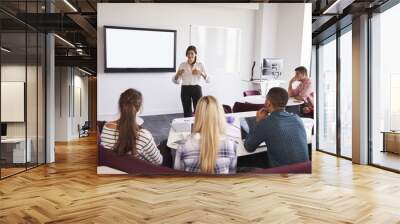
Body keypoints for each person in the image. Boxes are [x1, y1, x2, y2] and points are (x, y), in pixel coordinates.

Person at [244, 87, 309, 168]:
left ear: (268, 103)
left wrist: (257, 122)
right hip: (305, 172)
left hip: (282, 176)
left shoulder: (267, 123)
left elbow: (248, 147)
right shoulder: (297, 118)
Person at [100, 88, 167, 166]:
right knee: (165, 145)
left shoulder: (106, 127)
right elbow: (158, 162)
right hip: (138, 172)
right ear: (138, 108)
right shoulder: (143, 136)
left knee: (162, 144)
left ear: (120, 106)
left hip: (113, 168)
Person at [174, 96, 237, 174]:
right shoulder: (231, 145)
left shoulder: (184, 145)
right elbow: (231, 174)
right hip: (221, 185)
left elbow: (178, 174)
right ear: (220, 115)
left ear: (197, 116)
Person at [173, 45, 210, 117]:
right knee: (187, 112)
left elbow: (208, 80)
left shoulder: (200, 64)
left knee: (199, 111)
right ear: (186, 54)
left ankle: (199, 127)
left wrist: (200, 73)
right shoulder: (182, 65)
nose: (190, 55)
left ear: (195, 54)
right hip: (185, 89)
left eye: (192, 53)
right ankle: (188, 127)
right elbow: (177, 81)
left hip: (196, 89)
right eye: (188, 53)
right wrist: (178, 74)